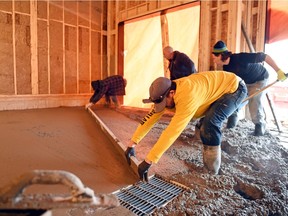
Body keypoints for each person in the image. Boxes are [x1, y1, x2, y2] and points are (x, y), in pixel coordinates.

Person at [125, 71, 247, 180]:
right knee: (203, 120)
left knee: (210, 123)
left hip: (234, 89)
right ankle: (202, 138)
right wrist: (132, 144)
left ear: (171, 93)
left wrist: (148, 160)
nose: (163, 106)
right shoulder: (166, 91)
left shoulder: (187, 97)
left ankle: (212, 171)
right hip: (212, 90)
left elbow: (172, 132)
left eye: (163, 103)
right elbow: (150, 118)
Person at [212, 40, 287, 136]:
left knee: (254, 101)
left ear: (221, 55)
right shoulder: (225, 68)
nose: (213, 60)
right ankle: (233, 118)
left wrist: (279, 71)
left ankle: (260, 126)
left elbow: (264, 56)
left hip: (259, 79)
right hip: (244, 82)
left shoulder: (240, 58)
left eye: (214, 58)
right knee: (233, 98)